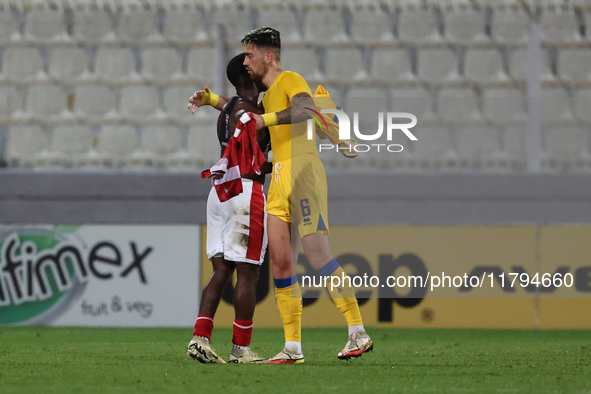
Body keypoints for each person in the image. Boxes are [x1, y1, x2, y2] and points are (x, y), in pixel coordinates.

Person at [189, 28, 372, 364]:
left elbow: (304, 110)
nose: (246, 62)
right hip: (278, 179)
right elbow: (245, 111)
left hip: (302, 171)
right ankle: (292, 347)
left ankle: (358, 332)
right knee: (280, 263)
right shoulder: (268, 96)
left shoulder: (290, 80)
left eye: (250, 55)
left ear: (268, 56)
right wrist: (212, 99)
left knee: (317, 256)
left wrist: (266, 120)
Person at [186, 53, 271, 364]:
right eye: (256, 70)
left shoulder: (230, 110)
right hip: (244, 191)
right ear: (248, 78)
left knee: (222, 270)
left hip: (219, 192)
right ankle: (240, 349)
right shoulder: (250, 113)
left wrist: (210, 98)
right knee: (248, 273)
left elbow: (231, 107)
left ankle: (200, 338)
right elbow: (257, 157)